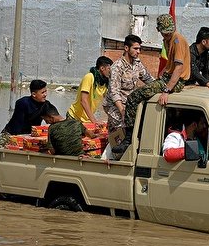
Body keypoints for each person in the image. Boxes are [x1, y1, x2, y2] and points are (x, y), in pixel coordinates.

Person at [119, 14, 191, 153]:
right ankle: (138, 132)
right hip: (167, 77)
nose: (166, 34)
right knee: (144, 100)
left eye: (168, 32)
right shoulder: (168, 40)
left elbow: (178, 68)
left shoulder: (177, 41)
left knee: (133, 97)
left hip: (174, 81)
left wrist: (166, 90)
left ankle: (130, 137)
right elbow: (170, 64)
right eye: (164, 32)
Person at [0, 79, 49, 185]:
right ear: (34, 94)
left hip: (30, 137)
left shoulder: (46, 105)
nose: (45, 94)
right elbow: (17, 128)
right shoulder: (23, 103)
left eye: (46, 91)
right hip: (11, 134)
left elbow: (56, 118)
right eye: (43, 92)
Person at [103, 35, 154, 133]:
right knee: (126, 129)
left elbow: (149, 79)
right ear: (126, 48)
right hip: (114, 105)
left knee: (119, 134)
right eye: (135, 48)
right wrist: (122, 111)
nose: (138, 51)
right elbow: (114, 93)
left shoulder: (137, 64)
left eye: (139, 49)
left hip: (128, 104)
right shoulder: (117, 67)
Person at [67, 56, 113, 124]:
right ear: (102, 68)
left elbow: (108, 101)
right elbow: (84, 101)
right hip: (74, 117)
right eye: (109, 68)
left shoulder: (104, 83)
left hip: (87, 120)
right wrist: (94, 121)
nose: (111, 71)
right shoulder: (89, 77)